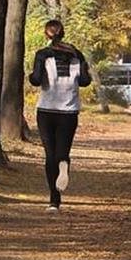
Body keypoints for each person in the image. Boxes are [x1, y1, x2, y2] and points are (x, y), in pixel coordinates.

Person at [29, 19, 92, 212]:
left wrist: (30, 76)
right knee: (62, 151)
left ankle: (54, 201)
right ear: (62, 33)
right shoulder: (76, 55)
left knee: (49, 155)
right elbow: (84, 82)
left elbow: (37, 80)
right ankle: (64, 163)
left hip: (46, 110)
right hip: (69, 111)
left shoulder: (42, 55)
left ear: (46, 34)